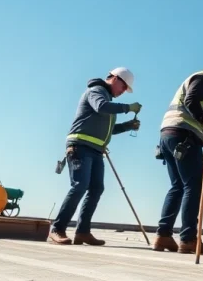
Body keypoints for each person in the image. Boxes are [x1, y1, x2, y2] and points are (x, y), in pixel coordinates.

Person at [50, 67, 142, 246]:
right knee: (79, 186)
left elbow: (109, 129)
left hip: (95, 150)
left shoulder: (108, 101)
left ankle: (83, 232)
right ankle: (57, 229)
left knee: (96, 188)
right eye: (123, 87)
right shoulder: (96, 92)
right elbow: (101, 107)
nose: (123, 92)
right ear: (115, 79)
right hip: (80, 146)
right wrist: (127, 108)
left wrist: (128, 126)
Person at [154, 54, 203, 254]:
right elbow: (191, 100)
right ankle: (188, 238)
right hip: (184, 135)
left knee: (177, 186)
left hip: (169, 135)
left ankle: (163, 236)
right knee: (193, 185)